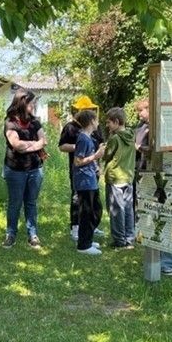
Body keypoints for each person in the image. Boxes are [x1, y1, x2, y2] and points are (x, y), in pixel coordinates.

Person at [2, 89, 47, 249]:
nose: (34, 105)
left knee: (31, 202)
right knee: (15, 203)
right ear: (22, 103)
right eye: (31, 102)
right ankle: (11, 234)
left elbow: (44, 140)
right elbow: (16, 144)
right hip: (15, 170)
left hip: (35, 168)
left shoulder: (35, 122)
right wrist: (34, 145)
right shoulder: (10, 122)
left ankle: (32, 235)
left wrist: (27, 145)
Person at [59, 95, 104, 241]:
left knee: (93, 201)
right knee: (77, 198)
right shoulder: (70, 127)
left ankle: (91, 226)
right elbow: (62, 146)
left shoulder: (96, 128)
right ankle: (76, 226)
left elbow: (100, 147)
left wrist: (100, 165)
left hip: (93, 169)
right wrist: (80, 147)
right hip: (80, 170)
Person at [73, 109, 105, 255]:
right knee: (87, 213)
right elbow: (78, 161)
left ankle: (88, 239)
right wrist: (96, 156)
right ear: (92, 121)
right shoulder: (83, 139)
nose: (98, 122)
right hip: (84, 182)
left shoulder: (89, 138)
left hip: (90, 180)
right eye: (96, 119)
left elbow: (87, 158)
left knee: (96, 210)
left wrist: (96, 167)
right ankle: (84, 246)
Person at [103, 107, 136, 249]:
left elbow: (106, 155)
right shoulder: (131, 134)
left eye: (109, 122)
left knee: (116, 210)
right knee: (128, 208)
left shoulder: (115, 138)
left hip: (115, 178)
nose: (107, 125)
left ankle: (119, 240)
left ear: (116, 122)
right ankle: (129, 238)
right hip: (128, 177)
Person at [133, 97, 150, 217]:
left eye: (141, 110)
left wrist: (138, 147)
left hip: (148, 166)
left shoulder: (154, 126)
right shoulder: (140, 125)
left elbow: (152, 148)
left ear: (149, 109)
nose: (139, 114)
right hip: (137, 164)